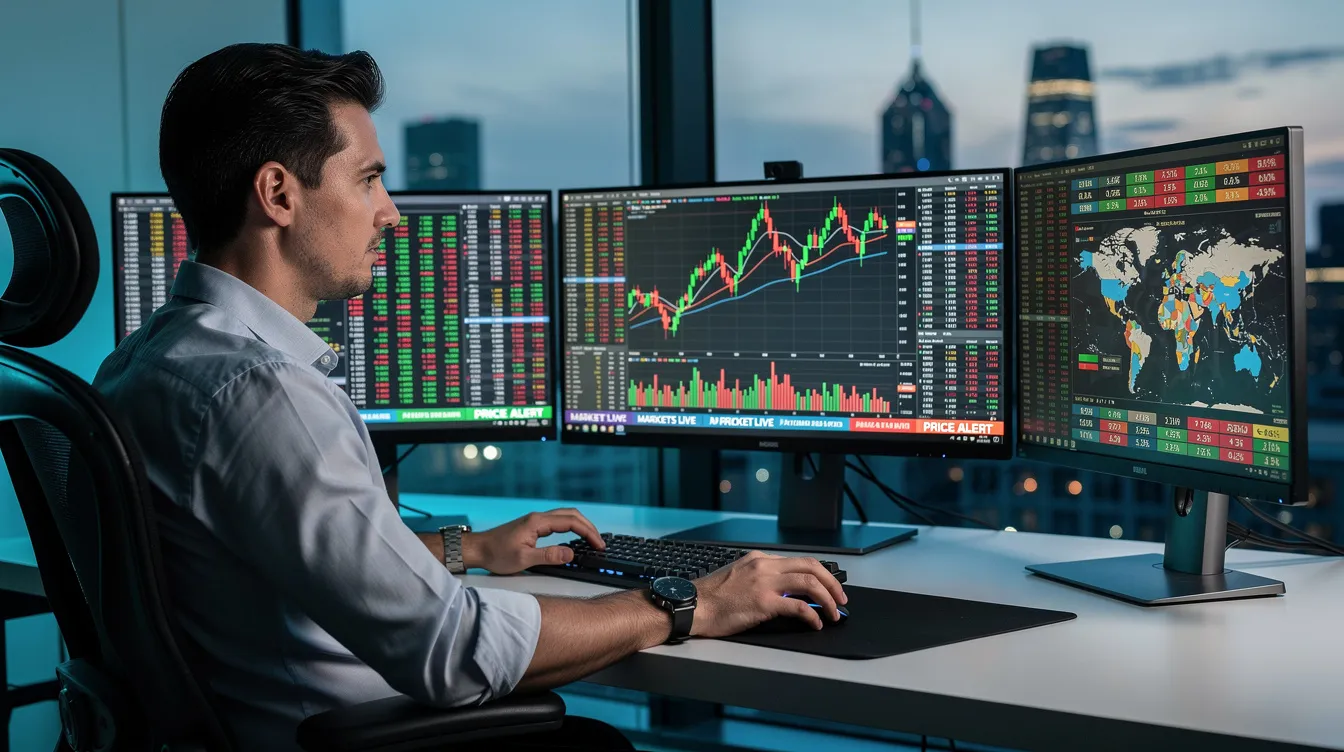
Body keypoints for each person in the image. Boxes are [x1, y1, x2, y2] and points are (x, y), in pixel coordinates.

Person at [93, 42, 846, 751]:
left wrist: (471, 550)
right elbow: (451, 653)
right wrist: (691, 603)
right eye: (367, 179)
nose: (389, 211)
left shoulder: (142, 365)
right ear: (279, 194)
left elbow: (284, 555)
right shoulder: (263, 395)